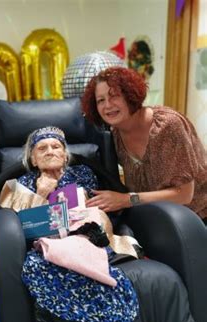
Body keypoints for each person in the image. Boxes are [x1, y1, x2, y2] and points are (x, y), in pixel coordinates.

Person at [0, 126, 172, 322]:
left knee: (84, 271)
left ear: (65, 154)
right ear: (32, 157)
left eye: (56, 146)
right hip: (47, 249)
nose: (50, 151)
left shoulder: (82, 174)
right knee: (39, 269)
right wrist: (40, 194)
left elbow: (97, 213)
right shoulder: (20, 184)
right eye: (41, 148)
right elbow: (19, 227)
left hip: (86, 241)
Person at [81, 66, 207, 224]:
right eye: (101, 100)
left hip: (198, 218)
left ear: (130, 95)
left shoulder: (168, 126)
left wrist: (126, 200)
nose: (107, 105)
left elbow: (184, 195)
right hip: (160, 220)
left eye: (114, 96)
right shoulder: (114, 137)